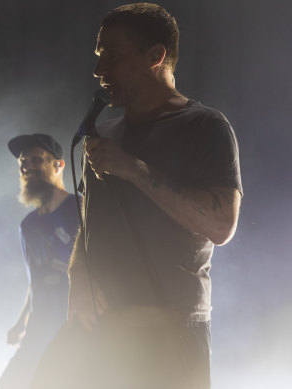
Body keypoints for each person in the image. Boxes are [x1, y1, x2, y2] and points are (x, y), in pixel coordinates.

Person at [30, 3, 242, 389]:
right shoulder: (106, 134)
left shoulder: (205, 126)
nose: (99, 70)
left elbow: (221, 224)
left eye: (112, 55)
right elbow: (90, 222)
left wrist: (136, 170)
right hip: (100, 327)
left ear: (155, 56)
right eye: (98, 56)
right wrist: (78, 274)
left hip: (170, 332)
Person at [0, 134, 80, 389]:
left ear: (58, 165)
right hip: (39, 328)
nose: (27, 166)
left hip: (74, 328)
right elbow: (37, 278)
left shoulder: (80, 208)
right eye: (23, 162)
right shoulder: (28, 225)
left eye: (36, 159)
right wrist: (22, 321)